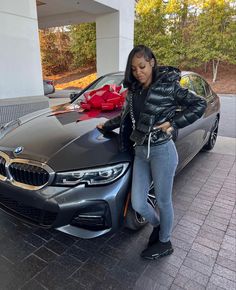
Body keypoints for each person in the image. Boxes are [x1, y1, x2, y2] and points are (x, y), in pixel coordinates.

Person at [97, 45, 207, 260]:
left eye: (142, 66)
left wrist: (173, 123)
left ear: (152, 62)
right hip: (140, 152)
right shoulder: (133, 91)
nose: (139, 72)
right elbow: (126, 118)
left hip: (162, 151)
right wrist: (107, 126)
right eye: (134, 68)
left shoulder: (168, 86)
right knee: (138, 202)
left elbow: (199, 104)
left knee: (164, 201)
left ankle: (165, 242)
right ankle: (158, 226)